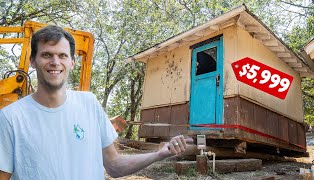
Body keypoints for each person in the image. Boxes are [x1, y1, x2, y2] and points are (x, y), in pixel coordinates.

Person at [0, 25, 193, 180]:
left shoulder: (89, 104)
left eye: (62, 55)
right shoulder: (11, 118)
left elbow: (114, 166)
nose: (55, 62)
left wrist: (160, 153)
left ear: (72, 62)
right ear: (33, 60)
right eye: (47, 55)